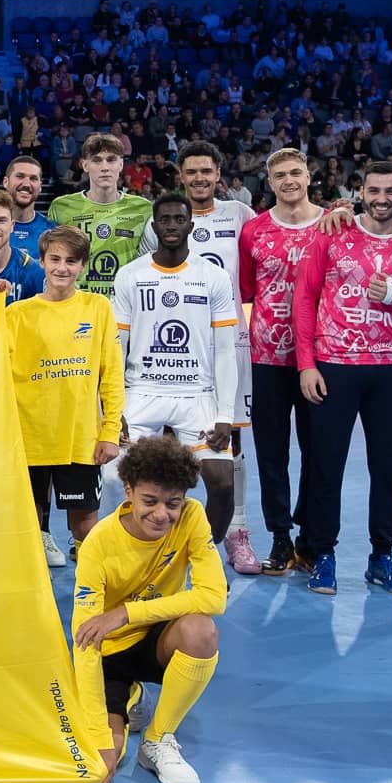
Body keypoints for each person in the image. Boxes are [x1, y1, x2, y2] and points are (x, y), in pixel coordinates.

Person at [294, 161, 392, 596]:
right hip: (335, 368)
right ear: (361, 191)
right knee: (325, 468)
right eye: (374, 190)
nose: (382, 199)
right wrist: (306, 364)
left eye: (391, 191)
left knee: (388, 470)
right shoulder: (332, 232)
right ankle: (323, 555)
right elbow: (305, 298)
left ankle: (381, 557)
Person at [71, 435, 226, 783]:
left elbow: (214, 598)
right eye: (150, 501)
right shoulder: (99, 543)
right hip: (109, 654)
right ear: (128, 491)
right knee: (105, 757)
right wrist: (99, 735)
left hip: (156, 638)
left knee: (201, 631)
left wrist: (127, 612)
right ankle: (129, 699)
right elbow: (84, 640)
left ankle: (157, 740)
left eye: (173, 503)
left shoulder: (192, 518)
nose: (162, 514)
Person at [148, 141, 262, 575]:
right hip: (174, 351)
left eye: (206, 172)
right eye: (191, 172)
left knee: (232, 439)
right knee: (172, 441)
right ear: (181, 175)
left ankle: (237, 531)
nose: (199, 178)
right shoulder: (162, 222)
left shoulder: (240, 217)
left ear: (219, 175)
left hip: (229, 344)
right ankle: (168, 532)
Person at [113, 193, 241, 547]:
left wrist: (225, 415)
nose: (172, 226)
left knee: (222, 482)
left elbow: (226, 352)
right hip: (141, 392)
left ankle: (202, 554)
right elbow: (115, 349)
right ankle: (132, 553)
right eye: (165, 220)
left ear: (191, 225)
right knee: (113, 478)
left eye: (178, 220)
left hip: (196, 394)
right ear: (154, 227)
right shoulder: (130, 276)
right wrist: (113, 411)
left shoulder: (212, 276)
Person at [237, 148, 330, 576]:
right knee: (271, 455)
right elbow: (245, 291)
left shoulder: (334, 225)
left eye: (296, 172)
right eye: (280, 175)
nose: (289, 180)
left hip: (324, 358)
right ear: (269, 182)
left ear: (309, 175)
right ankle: (279, 537)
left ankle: (311, 537)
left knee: (318, 452)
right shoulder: (254, 231)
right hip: (267, 360)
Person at [7, 225, 120, 568]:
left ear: (82, 265)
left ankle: (92, 591)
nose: (62, 267)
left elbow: (111, 374)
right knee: (29, 526)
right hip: (29, 438)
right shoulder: (15, 314)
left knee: (85, 524)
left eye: (71, 261)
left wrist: (110, 431)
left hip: (79, 438)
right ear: (40, 261)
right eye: (54, 259)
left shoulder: (97, 308)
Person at [48, 134, 152, 296]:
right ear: (85, 165)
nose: (105, 167)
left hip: (126, 304)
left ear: (121, 164)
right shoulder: (61, 207)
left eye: (111, 160)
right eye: (97, 160)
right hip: (77, 303)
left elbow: (150, 260)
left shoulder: (143, 208)